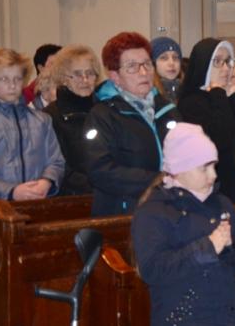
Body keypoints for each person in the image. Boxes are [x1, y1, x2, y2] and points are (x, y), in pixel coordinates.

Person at [132, 123, 235, 326]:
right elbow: (153, 269)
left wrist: (228, 247)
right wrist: (207, 247)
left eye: (214, 166)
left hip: (226, 325)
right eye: (204, 167)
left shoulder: (220, 203)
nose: (213, 175)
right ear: (180, 168)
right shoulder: (154, 211)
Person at [84, 31, 181, 216]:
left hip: (171, 207)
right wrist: (158, 180)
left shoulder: (167, 109)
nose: (143, 72)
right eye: (132, 67)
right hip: (126, 212)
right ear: (114, 75)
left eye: (147, 64)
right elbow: (100, 170)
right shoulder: (102, 115)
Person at [0, 48, 64, 202]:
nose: (12, 85)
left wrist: (47, 181)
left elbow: (56, 162)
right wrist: (11, 191)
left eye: (17, 79)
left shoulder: (42, 120)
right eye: (4, 79)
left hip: (36, 205)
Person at [178, 38, 235, 202]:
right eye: (217, 62)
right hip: (216, 186)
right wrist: (217, 93)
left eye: (228, 61)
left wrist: (234, 95)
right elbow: (221, 138)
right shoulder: (191, 102)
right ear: (204, 64)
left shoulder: (228, 95)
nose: (226, 68)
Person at [44, 45, 102, 195]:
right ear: (63, 78)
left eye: (90, 73)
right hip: (72, 197)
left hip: (106, 190)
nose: (85, 80)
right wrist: (95, 188)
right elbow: (60, 166)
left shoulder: (104, 111)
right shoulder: (50, 116)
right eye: (77, 74)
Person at [150, 36, 183, 104]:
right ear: (153, 63)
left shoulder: (189, 92)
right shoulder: (148, 96)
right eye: (164, 58)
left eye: (175, 57)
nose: (171, 63)